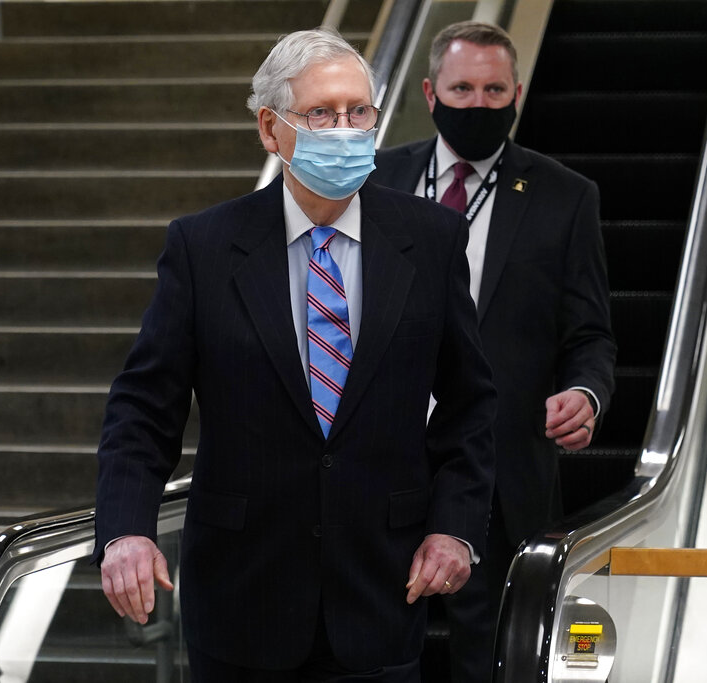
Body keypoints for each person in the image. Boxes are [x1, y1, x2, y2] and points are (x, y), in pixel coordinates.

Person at [93, 28, 496, 682]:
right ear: (270, 129)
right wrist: (124, 529)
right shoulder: (204, 247)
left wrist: (455, 526)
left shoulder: (432, 240)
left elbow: (470, 402)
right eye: (320, 113)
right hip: (241, 602)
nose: (345, 128)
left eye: (357, 111)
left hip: (384, 593)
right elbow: (143, 407)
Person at [370, 20, 617, 683]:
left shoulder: (566, 197)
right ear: (429, 91)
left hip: (501, 471)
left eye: (493, 89)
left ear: (517, 91)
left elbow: (590, 333)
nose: (478, 103)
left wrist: (586, 394)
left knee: (494, 653)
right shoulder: (373, 181)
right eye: (462, 88)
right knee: (375, 643)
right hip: (377, 463)